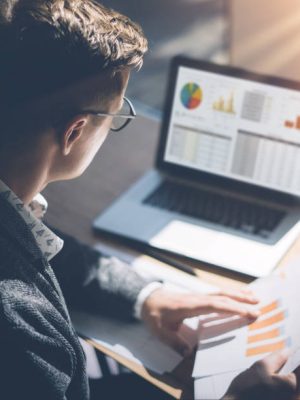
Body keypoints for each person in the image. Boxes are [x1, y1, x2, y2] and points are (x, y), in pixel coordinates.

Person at [0, 1, 298, 399]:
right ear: (74, 133)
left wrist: (146, 296)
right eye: (115, 115)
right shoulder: (20, 327)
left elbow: (38, 245)